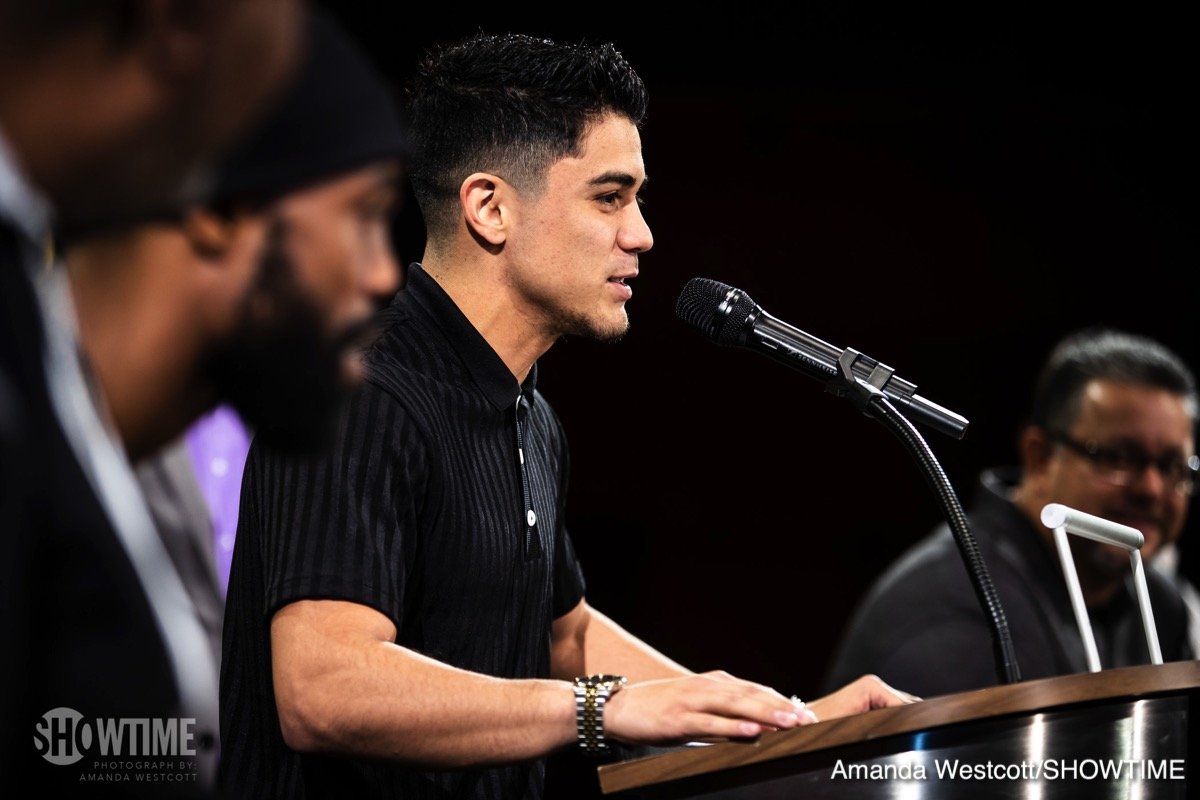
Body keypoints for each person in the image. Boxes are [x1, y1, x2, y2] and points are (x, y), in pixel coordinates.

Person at [219, 32, 916, 800]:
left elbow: (568, 639)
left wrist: (789, 725)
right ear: (489, 207)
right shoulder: (359, 391)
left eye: (637, 199)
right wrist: (602, 710)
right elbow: (324, 688)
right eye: (609, 197)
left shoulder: (531, 416)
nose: (642, 234)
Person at [10, 10, 405, 793]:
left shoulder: (100, 466)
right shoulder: (23, 449)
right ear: (219, 212)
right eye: (364, 215)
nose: (384, 275)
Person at [823, 327, 1197, 699]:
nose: (1152, 489)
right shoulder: (950, 605)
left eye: (1173, 466)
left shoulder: (1162, 605)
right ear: (1040, 455)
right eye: (1120, 458)